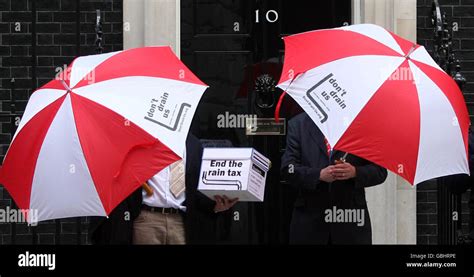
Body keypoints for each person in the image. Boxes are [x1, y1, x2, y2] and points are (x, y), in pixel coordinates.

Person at [281, 113, 388, 244]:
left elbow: (380, 171)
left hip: (350, 223)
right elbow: (288, 169)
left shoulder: (361, 125)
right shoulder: (298, 124)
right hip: (310, 223)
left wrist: (355, 172)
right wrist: (318, 175)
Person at [132, 133, 238, 244]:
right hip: (147, 219)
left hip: (180, 220)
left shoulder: (194, 144)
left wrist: (215, 206)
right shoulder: (143, 138)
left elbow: (197, 189)